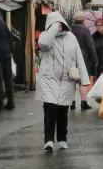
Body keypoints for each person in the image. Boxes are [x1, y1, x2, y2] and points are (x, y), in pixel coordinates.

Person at [37, 12, 91, 152]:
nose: (59, 27)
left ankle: (62, 139)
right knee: (50, 110)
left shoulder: (71, 37)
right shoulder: (46, 36)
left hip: (67, 80)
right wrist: (53, 29)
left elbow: (79, 57)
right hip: (49, 80)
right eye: (56, 24)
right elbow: (43, 45)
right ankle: (49, 140)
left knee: (62, 111)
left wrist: (84, 80)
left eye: (60, 24)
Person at [69, 11, 98, 110]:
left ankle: (71, 103)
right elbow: (91, 46)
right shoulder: (85, 30)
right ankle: (83, 102)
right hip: (83, 58)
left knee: (72, 79)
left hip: (70, 57)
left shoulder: (69, 30)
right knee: (82, 80)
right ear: (83, 20)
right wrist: (95, 60)